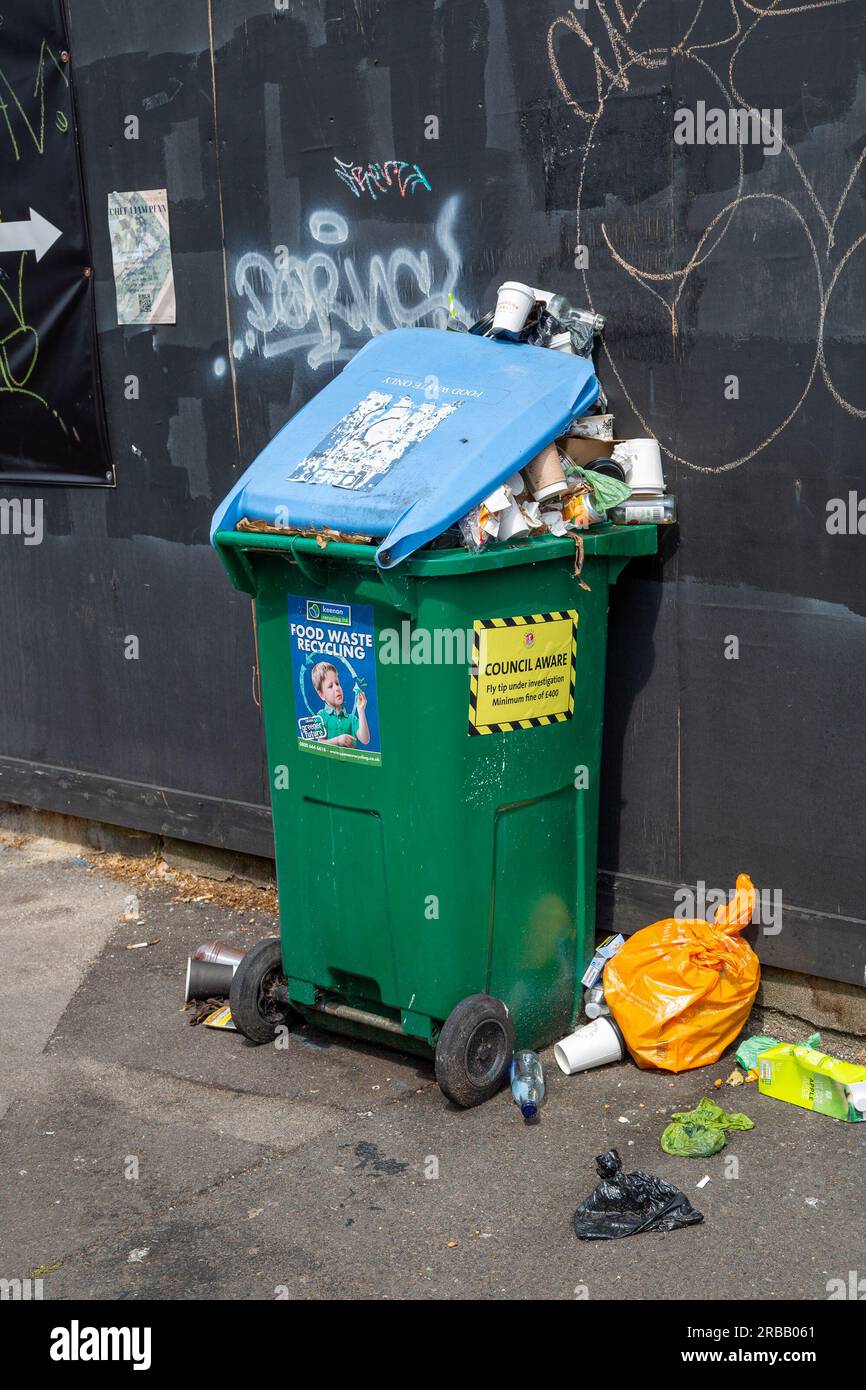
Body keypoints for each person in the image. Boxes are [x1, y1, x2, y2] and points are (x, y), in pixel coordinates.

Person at [310, 661, 370, 748]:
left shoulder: (351, 719)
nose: (336, 688)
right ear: (321, 694)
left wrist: (361, 711)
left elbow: (365, 739)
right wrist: (337, 741)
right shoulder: (320, 716)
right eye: (330, 686)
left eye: (337, 683)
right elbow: (319, 744)